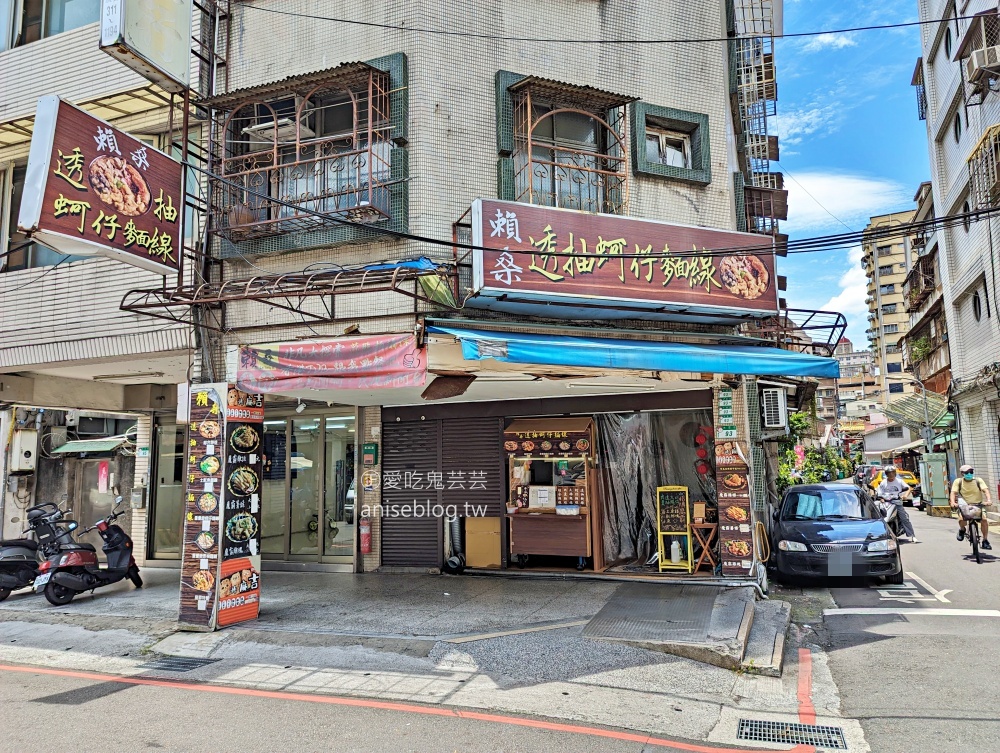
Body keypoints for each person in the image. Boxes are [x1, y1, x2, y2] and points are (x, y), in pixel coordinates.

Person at [951, 464, 993, 549]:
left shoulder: (978, 480)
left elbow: (986, 491)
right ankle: (962, 529)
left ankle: (985, 540)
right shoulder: (958, 482)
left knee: (984, 520)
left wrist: (988, 500)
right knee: (962, 519)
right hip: (964, 505)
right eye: (967, 472)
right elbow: (953, 493)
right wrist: (952, 502)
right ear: (962, 473)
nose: (969, 474)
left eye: (971, 472)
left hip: (978, 505)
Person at [876, 466, 918, 542]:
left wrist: (905, 495)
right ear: (886, 474)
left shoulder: (899, 481)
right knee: (879, 517)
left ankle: (912, 535)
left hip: (897, 502)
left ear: (895, 473)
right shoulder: (883, 482)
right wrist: (881, 498)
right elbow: (879, 493)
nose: (891, 475)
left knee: (904, 518)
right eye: (889, 473)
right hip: (886, 503)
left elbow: (908, 488)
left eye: (892, 473)